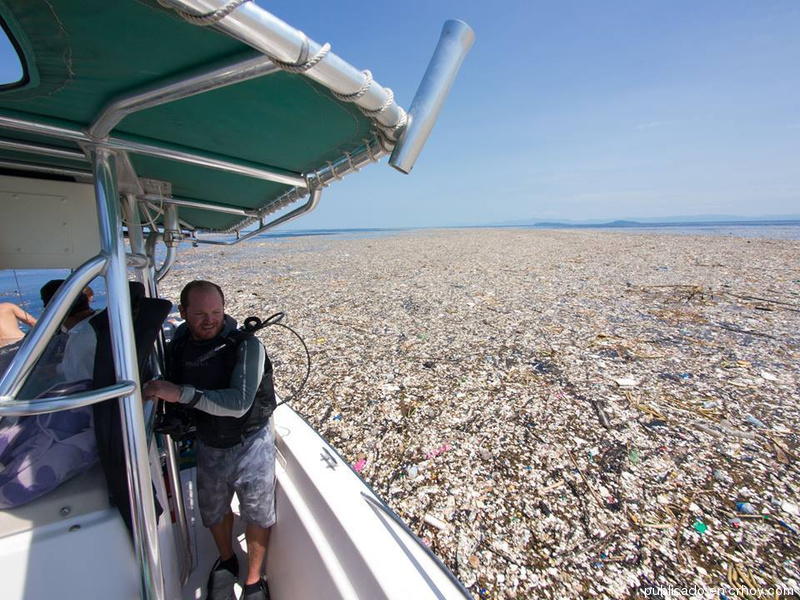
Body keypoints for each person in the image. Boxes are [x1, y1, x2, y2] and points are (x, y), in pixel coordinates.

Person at [144, 280, 277, 600]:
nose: (209, 320)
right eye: (200, 314)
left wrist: (180, 394)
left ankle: (253, 581)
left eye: (216, 312)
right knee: (213, 510)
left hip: (250, 442)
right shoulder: (180, 342)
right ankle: (227, 560)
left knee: (258, 513)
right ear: (182, 312)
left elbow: (239, 403)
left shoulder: (247, 346)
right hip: (208, 441)